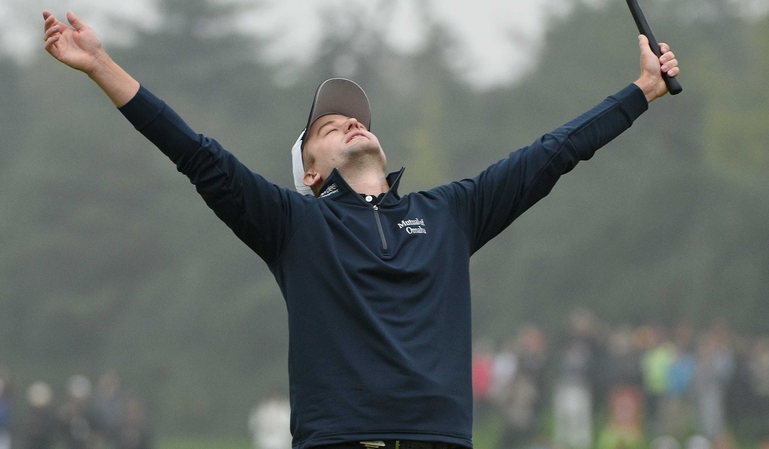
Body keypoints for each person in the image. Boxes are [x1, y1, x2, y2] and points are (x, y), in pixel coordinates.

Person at [42, 9, 680, 449]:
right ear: (311, 173)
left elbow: (553, 153)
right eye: (327, 127)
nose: (349, 123)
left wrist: (641, 90)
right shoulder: (294, 223)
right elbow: (196, 154)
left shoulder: (449, 213)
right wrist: (101, 65)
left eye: (355, 119)